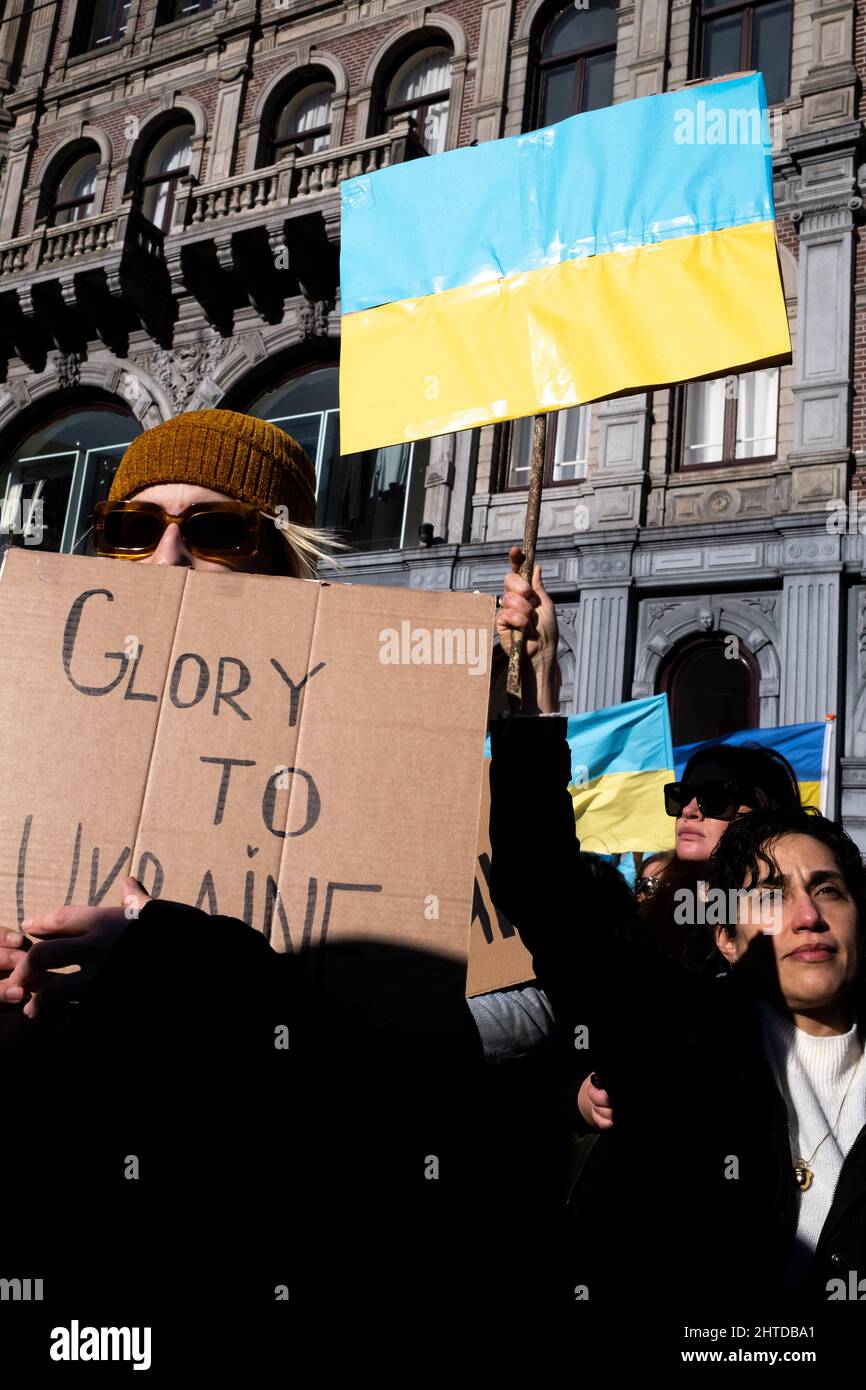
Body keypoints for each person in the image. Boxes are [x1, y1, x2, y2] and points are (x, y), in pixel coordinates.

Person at [0, 409, 501, 1346]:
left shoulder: (377, 774)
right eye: (134, 528)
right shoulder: (15, 738)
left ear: (285, 558)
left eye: (218, 530)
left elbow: (414, 1113)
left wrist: (167, 966)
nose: (168, 558)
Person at [488, 584, 866, 1308]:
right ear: (726, 938)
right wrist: (534, 693)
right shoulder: (679, 1032)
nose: (807, 916)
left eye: (830, 890)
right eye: (770, 894)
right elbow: (547, 888)